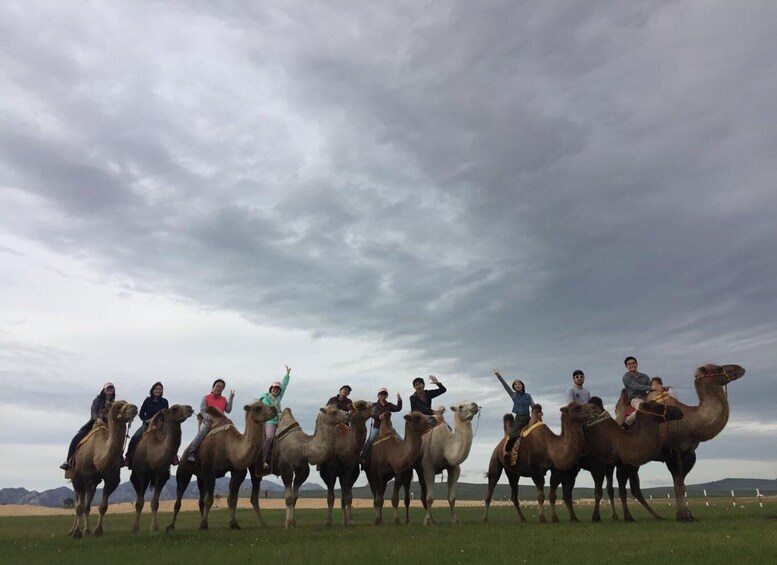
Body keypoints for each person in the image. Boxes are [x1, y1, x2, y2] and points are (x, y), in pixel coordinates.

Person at [60, 382, 117, 470]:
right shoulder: (97, 400)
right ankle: (69, 460)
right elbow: (93, 412)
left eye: (111, 388)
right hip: (96, 423)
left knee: (118, 439)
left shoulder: (115, 403)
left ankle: (119, 459)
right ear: (104, 390)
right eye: (108, 388)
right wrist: (97, 419)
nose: (110, 390)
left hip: (110, 425)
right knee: (77, 437)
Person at [186, 379, 234, 463]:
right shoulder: (206, 397)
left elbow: (228, 410)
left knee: (232, 431)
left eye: (221, 387)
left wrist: (231, 399)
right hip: (208, 421)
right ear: (213, 387)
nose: (219, 388)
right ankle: (191, 452)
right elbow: (203, 410)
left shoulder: (223, 399)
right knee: (203, 431)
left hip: (221, 421)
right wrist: (208, 417)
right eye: (217, 386)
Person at [123, 381, 169, 468]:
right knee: (135, 437)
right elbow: (141, 413)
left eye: (160, 389)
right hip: (147, 424)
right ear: (153, 390)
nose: (158, 391)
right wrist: (146, 420)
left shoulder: (164, 402)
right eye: (156, 389)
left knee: (169, 439)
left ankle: (172, 457)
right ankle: (128, 457)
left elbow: (166, 413)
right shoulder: (147, 401)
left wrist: (162, 421)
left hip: (160, 425)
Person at [494, 369, 535, 462]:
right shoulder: (513, 395)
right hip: (519, 419)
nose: (518, 385)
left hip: (528, 418)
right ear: (514, 387)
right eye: (516, 385)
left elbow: (532, 405)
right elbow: (505, 386)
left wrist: (537, 411)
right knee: (513, 435)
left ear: (522, 385)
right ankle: (507, 452)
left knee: (539, 431)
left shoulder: (528, 396)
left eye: (519, 384)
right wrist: (498, 376)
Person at [259, 365, 291, 470]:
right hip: (270, 421)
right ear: (271, 388)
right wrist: (280, 415)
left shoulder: (278, 397)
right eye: (274, 388)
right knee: (269, 438)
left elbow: (284, 386)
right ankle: (263, 459)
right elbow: (270, 411)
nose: (276, 390)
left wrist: (287, 375)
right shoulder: (265, 399)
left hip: (280, 421)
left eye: (278, 389)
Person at [360, 387, 402, 464]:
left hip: (388, 427)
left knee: (400, 440)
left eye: (385, 394)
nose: (383, 395)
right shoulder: (375, 405)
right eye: (381, 394)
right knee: (370, 440)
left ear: (386, 396)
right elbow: (372, 414)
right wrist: (378, 416)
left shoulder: (389, 405)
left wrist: (399, 399)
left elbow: (398, 408)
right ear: (378, 395)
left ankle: (403, 458)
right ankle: (363, 457)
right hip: (377, 427)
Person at [621, 356, 661, 427]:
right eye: (629, 364)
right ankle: (627, 423)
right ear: (627, 367)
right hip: (635, 399)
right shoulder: (626, 377)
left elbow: (650, 387)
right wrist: (652, 387)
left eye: (633, 363)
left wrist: (658, 387)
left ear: (636, 364)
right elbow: (636, 387)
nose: (632, 365)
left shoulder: (644, 376)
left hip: (646, 398)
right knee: (643, 409)